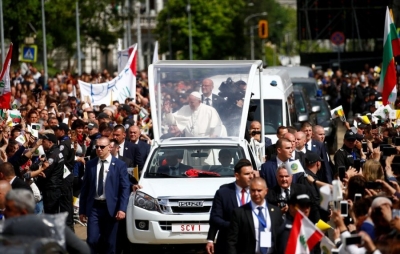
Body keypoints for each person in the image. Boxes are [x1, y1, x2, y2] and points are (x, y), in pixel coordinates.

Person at [79, 137, 131, 254]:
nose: (99, 149)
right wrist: (82, 210)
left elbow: (125, 188)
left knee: (110, 242)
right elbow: (85, 188)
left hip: (111, 208)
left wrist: (122, 209)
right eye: (97, 147)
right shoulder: (91, 164)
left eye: (102, 147)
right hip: (94, 208)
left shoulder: (119, 165)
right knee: (92, 240)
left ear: (109, 147)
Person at [3, 189, 90, 254]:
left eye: (9, 209)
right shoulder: (4, 230)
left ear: (23, 213)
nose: (4, 212)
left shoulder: (52, 227)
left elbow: (84, 250)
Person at [206, 159, 254, 254]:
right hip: (229, 243)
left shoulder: (258, 191)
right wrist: (211, 239)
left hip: (251, 243)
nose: (251, 176)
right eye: (247, 174)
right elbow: (215, 217)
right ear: (237, 176)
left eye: (252, 173)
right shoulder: (223, 192)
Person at [227, 177, 283, 254]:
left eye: (259, 190)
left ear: (266, 191)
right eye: (253, 190)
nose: (256, 193)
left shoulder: (276, 211)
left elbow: (281, 237)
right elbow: (232, 241)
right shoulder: (239, 212)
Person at [53, 122, 75, 231]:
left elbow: (62, 160)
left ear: (62, 131)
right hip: (68, 174)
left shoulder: (64, 143)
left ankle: (68, 227)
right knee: (67, 202)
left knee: (66, 202)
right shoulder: (67, 141)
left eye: (56, 130)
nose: (55, 132)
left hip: (65, 175)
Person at [38, 133, 65, 214]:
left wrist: (37, 172)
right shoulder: (56, 151)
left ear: (50, 142)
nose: (42, 143)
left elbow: (46, 172)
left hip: (51, 188)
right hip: (55, 187)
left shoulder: (53, 155)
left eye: (44, 141)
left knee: (50, 213)